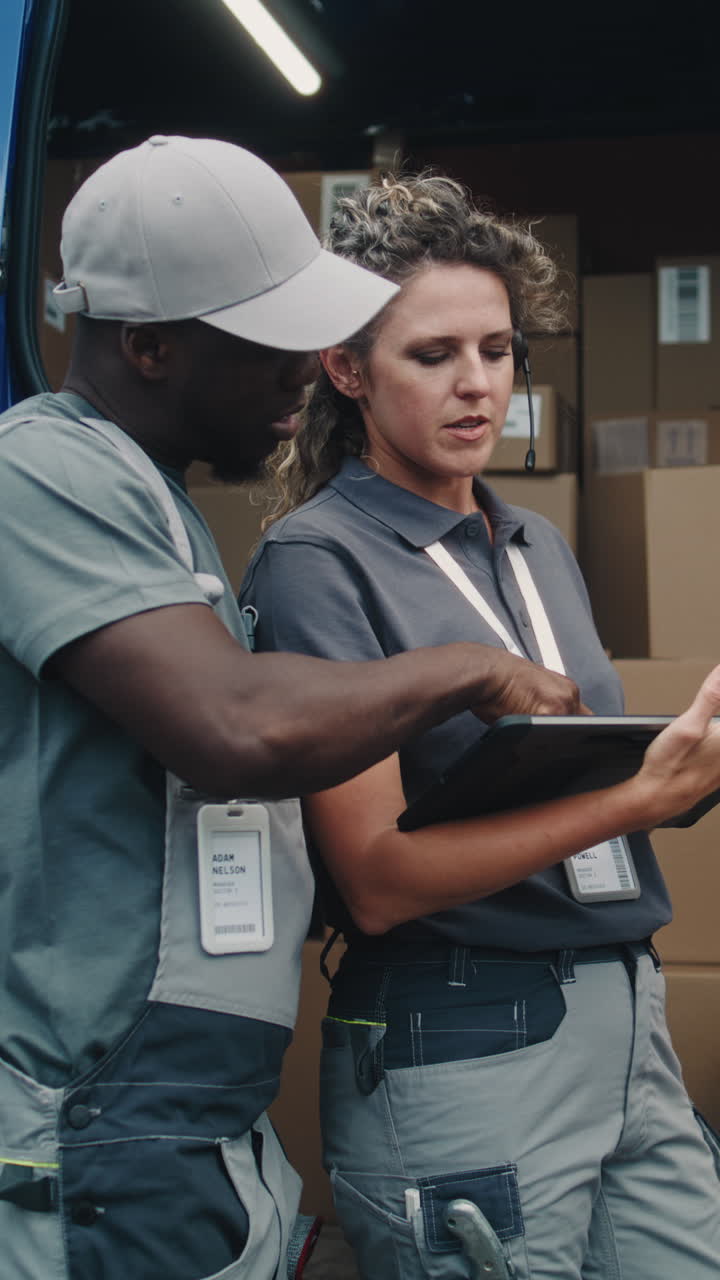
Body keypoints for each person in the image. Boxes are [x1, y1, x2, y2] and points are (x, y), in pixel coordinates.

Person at [0, 139, 588, 1280]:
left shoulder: (156, 510)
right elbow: (236, 726)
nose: (305, 371)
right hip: (97, 1115)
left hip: (189, 1123)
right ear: (151, 345)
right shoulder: (39, 471)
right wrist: (468, 668)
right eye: (267, 345)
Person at [239, 172, 720, 1279]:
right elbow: (375, 877)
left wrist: (674, 773)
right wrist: (633, 799)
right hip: (467, 1025)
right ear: (347, 369)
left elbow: (574, 777)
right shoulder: (321, 560)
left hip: (622, 1007)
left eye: (498, 351)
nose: (476, 385)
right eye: (433, 354)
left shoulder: (535, 543)